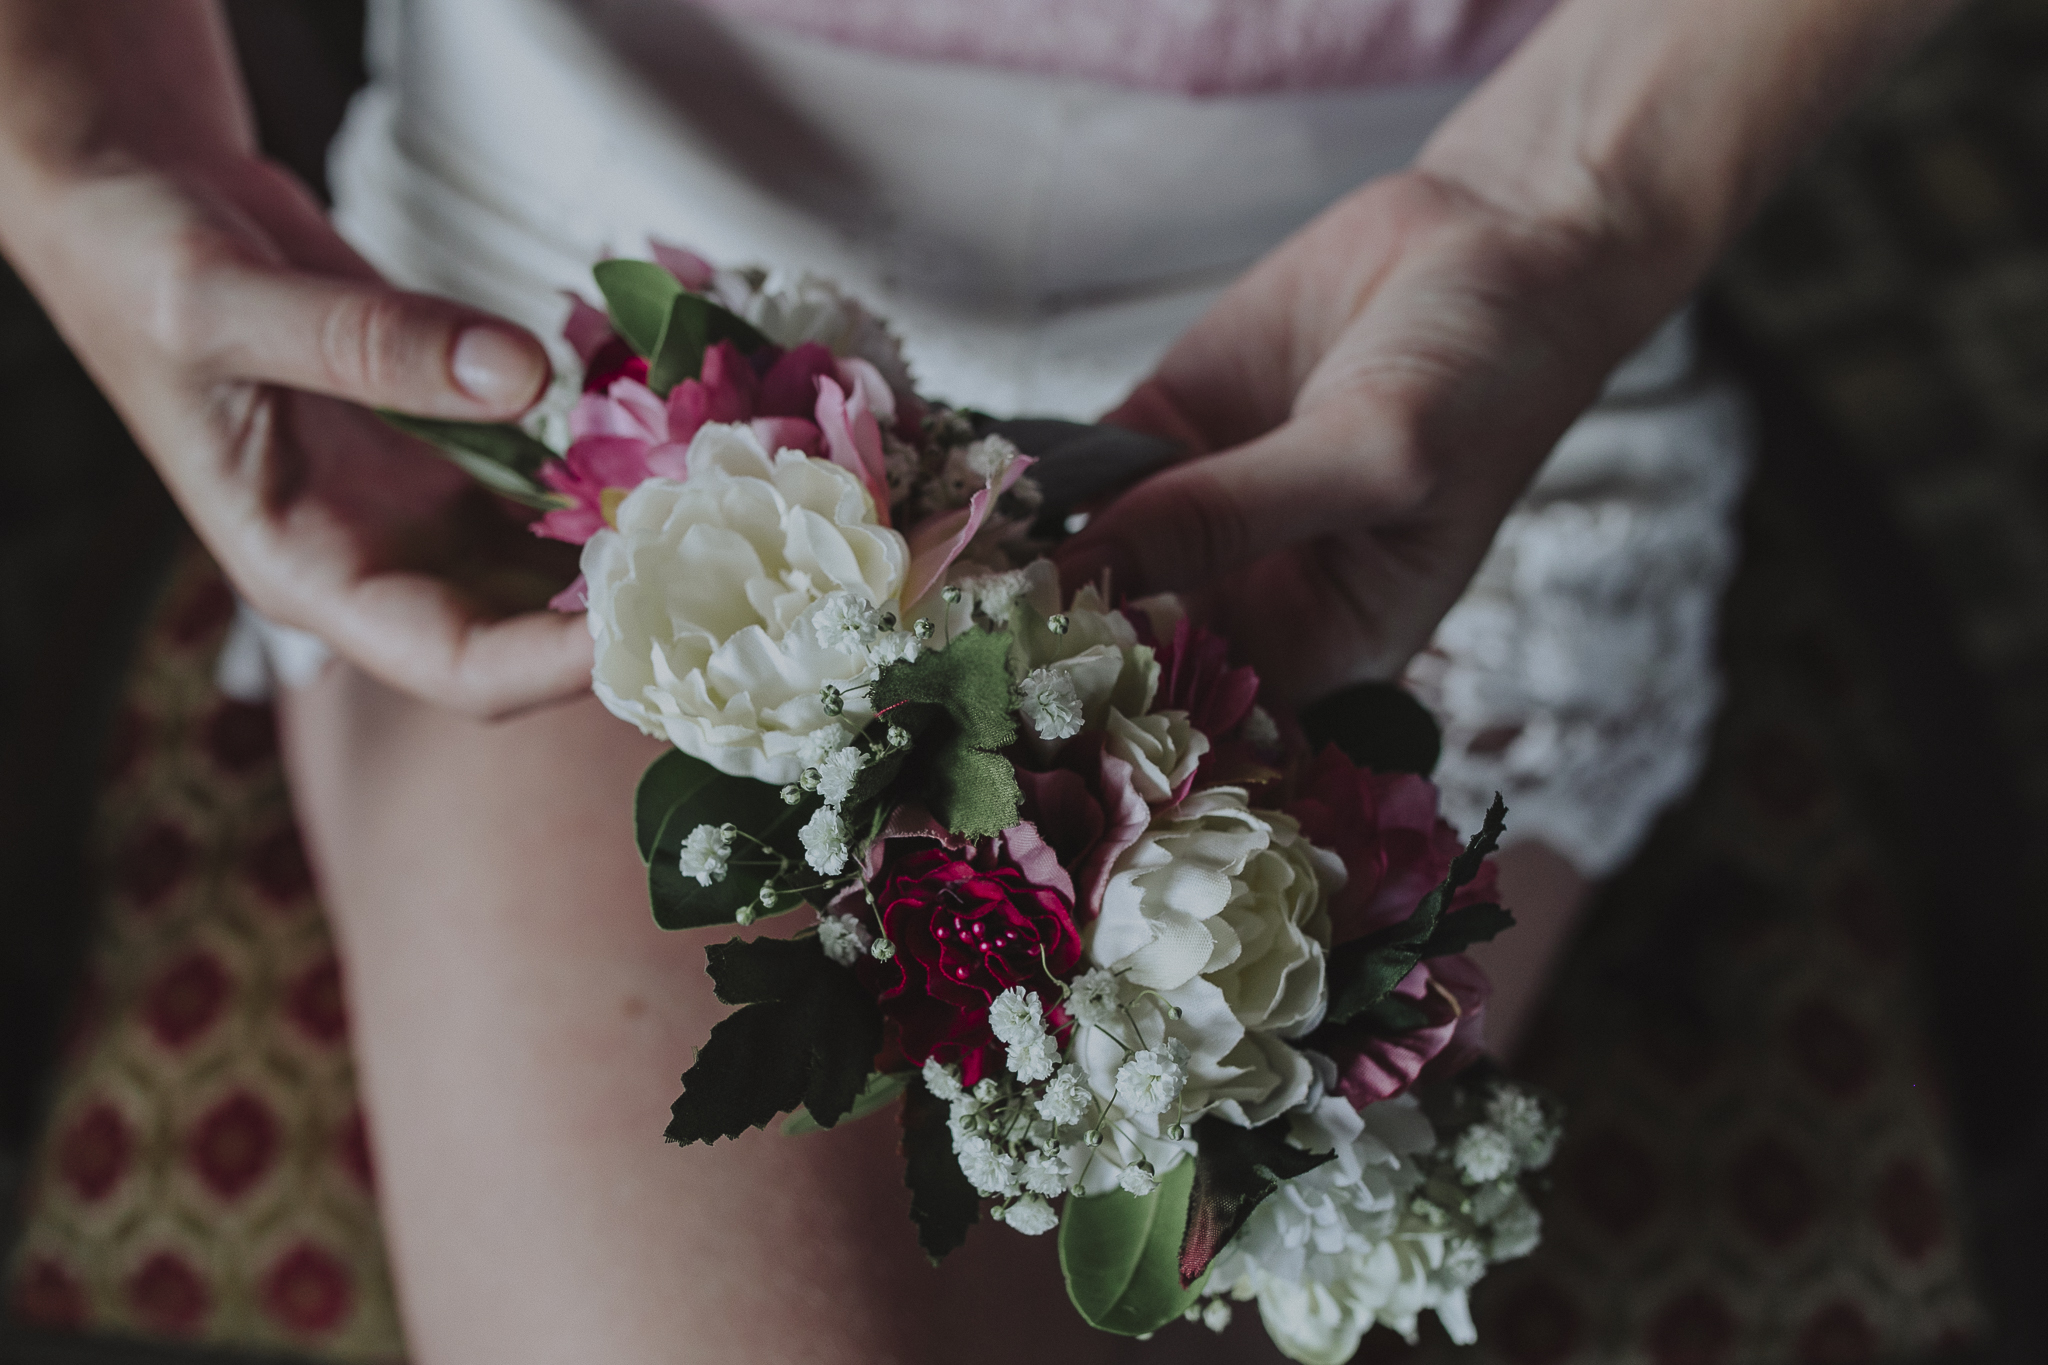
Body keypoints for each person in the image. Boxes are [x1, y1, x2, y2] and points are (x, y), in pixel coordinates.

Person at [0, 1, 1954, 1360]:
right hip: (587, 283)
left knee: (1219, 1139)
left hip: (1436, 264)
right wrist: (69, 104)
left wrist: (1579, 206)